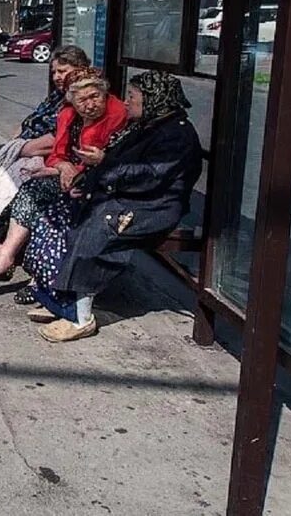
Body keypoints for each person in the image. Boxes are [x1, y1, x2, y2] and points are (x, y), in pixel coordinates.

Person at [28, 71, 204, 342]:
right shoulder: (148, 124)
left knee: (97, 227)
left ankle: (80, 316)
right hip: (133, 197)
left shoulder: (175, 134)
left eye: (133, 97)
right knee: (69, 213)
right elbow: (118, 161)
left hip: (154, 207)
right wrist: (88, 180)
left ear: (153, 99)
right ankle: (61, 300)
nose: (127, 102)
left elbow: (150, 176)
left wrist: (103, 170)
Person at [0, 66, 128, 286]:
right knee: (15, 185)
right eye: (82, 100)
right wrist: (61, 166)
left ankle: (24, 269)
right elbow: (57, 154)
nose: (89, 105)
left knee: (40, 203)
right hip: (60, 171)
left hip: (94, 180)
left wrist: (68, 168)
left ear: (104, 93)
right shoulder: (65, 111)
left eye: (95, 97)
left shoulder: (115, 113)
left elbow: (104, 158)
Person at [0, 45, 91, 252]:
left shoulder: (78, 100)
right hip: (25, 147)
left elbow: (57, 139)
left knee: (5, 186)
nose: (57, 76)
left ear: (79, 69)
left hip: (43, 157)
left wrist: (21, 149)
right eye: (54, 72)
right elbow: (31, 122)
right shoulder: (57, 96)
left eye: (62, 71)